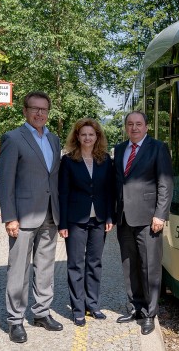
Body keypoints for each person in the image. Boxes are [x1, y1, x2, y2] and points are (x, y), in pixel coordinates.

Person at [0, 91, 63, 343]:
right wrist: (9, 217)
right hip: (23, 216)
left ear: (48, 112)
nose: (39, 113)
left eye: (43, 109)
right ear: (24, 110)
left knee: (45, 266)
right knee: (19, 268)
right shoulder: (13, 138)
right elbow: (5, 182)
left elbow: (52, 178)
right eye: (34, 108)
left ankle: (41, 313)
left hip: (50, 214)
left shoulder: (54, 139)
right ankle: (15, 320)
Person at [114, 111, 173, 335]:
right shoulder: (120, 149)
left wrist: (160, 214)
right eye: (130, 124)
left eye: (139, 124)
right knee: (129, 264)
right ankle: (135, 307)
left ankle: (150, 313)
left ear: (147, 126)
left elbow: (165, 183)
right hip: (124, 218)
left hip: (149, 218)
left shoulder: (158, 147)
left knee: (149, 267)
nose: (134, 128)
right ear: (126, 127)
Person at [58, 118, 114, 327]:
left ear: (97, 137)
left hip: (99, 219)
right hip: (75, 220)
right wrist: (62, 223)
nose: (87, 138)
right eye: (83, 134)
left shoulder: (105, 160)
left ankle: (92, 304)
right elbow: (62, 193)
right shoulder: (68, 161)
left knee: (95, 263)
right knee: (75, 264)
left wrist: (110, 216)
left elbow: (110, 191)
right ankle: (78, 308)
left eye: (91, 134)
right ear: (77, 137)